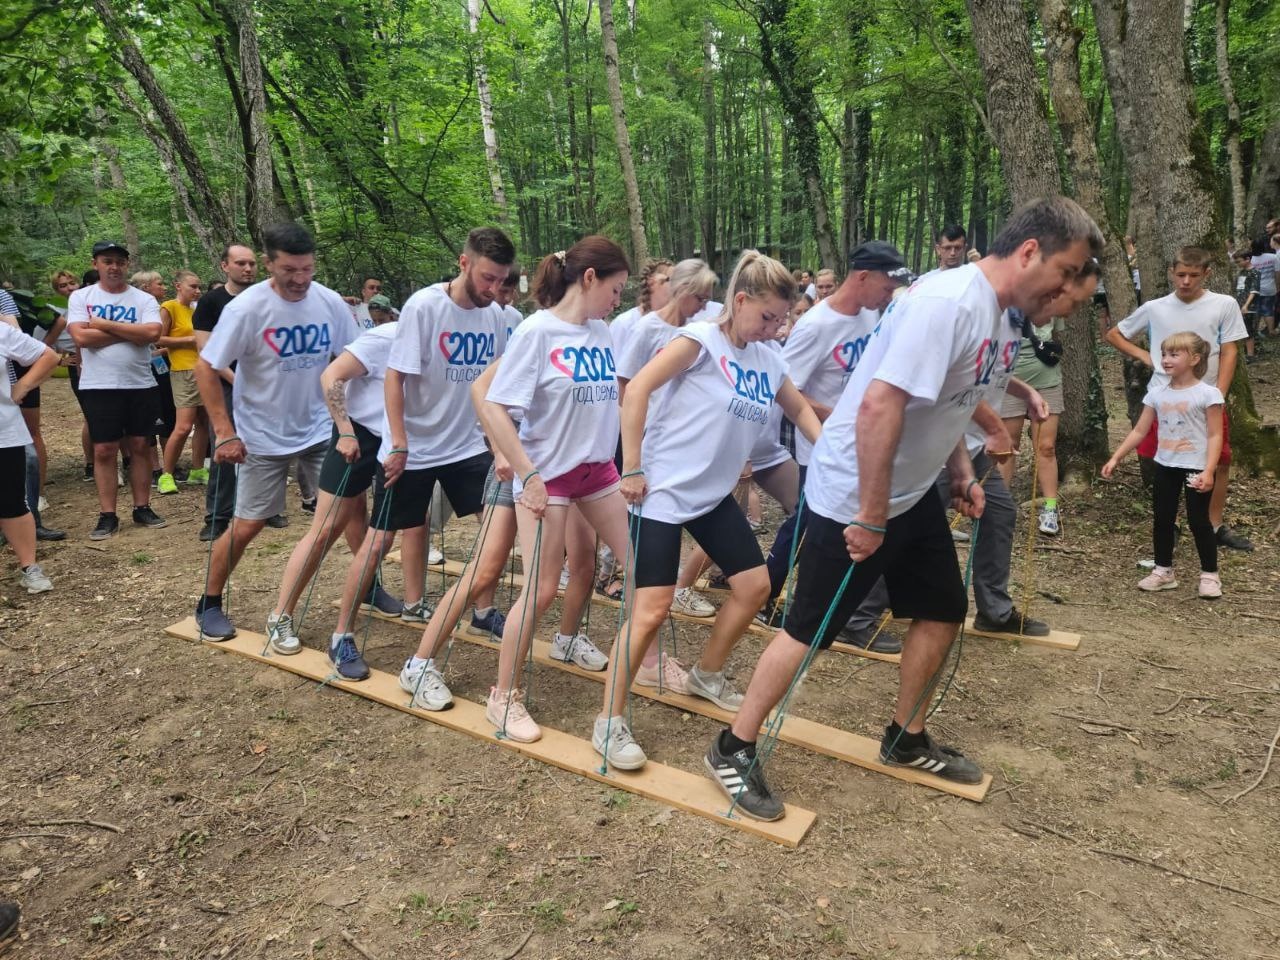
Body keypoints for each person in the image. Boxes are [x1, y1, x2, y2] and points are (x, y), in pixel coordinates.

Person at [703, 197, 1103, 821]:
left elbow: (951, 401)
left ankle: (906, 737)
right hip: (854, 492)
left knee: (942, 609)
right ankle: (733, 746)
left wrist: (963, 473)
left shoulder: (1002, 318)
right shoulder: (947, 305)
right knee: (809, 631)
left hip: (911, 492)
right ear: (1030, 252)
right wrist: (868, 514)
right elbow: (879, 408)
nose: (1071, 289)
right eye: (1068, 270)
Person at [594, 250, 824, 770]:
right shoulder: (699, 341)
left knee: (755, 586)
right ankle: (608, 721)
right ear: (740, 301)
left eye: (782, 319)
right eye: (767, 316)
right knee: (651, 610)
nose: (774, 327)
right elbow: (637, 392)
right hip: (661, 494)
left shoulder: (768, 359)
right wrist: (631, 466)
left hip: (712, 496)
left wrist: (831, 452)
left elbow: (801, 409)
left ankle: (706, 674)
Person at [329, 227, 516, 682]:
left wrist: (497, 443)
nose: (495, 289)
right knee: (380, 542)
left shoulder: (495, 316)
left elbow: (489, 388)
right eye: (488, 278)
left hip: (467, 447)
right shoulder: (425, 306)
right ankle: (341, 636)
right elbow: (395, 378)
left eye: (502, 280)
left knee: (496, 532)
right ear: (464, 263)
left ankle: (483, 610)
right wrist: (398, 442)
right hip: (415, 449)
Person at [477, 236, 633, 743]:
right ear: (589, 279)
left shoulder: (604, 332)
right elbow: (497, 406)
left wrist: (631, 464)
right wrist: (529, 475)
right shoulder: (537, 332)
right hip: (550, 476)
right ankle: (502, 698)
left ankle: (645, 667)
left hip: (598, 474)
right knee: (542, 589)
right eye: (615, 289)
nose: (618, 300)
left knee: (645, 569)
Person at [193, 222, 360, 641]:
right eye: (290, 270)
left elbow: (349, 358)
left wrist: (350, 423)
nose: (300, 279)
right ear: (269, 264)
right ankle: (209, 602)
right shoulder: (246, 309)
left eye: (307, 269)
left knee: (351, 510)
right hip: (262, 434)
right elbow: (206, 367)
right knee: (250, 523)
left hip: (322, 428)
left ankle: (369, 586)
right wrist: (224, 432)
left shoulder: (329, 302)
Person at [760, 241, 910, 651]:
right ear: (862, 276)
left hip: (860, 444)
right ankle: (768, 594)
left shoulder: (869, 315)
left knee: (815, 524)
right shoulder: (816, 326)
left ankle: (779, 595)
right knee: (808, 525)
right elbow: (786, 390)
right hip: (822, 447)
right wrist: (843, 415)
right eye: (886, 283)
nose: (889, 294)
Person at [263, 311, 405, 653]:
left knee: (366, 522)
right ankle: (279, 615)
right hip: (358, 435)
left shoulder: (441, 342)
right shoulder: (386, 337)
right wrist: (344, 431)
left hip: (397, 440)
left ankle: (369, 589)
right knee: (327, 527)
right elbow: (331, 376)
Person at [1106, 246, 1252, 552]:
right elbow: (1115, 334)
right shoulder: (1156, 307)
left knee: (1219, 461)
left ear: (1207, 274)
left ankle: (1213, 525)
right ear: (1172, 272)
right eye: (1181, 274)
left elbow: (1229, 350)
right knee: (1164, 460)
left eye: (1193, 275)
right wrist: (1146, 356)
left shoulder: (1223, 304)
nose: (1186, 281)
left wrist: (1219, 394)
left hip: (1206, 397)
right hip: (1165, 397)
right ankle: (1169, 523)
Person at [616, 258, 719, 621]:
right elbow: (626, 384)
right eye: (702, 297)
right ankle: (637, 590)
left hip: (674, 439)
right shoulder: (648, 329)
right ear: (685, 292)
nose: (706, 305)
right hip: (644, 438)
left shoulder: (699, 330)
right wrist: (634, 449)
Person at [1103, 332, 1222, 598]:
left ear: (1194, 358)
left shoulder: (1208, 394)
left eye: (1174, 354)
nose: (1166, 360)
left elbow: (1215, 435)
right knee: (1163, 520)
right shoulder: (1156, 394)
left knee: (1199, 521)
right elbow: (1139, 431)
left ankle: (1210, 575)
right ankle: (1163, 571)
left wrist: (1209, 470)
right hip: (1166, 466)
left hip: (1196, 467)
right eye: (1164, 354)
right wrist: (1116, 457)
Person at [66, 242, 168, 539]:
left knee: (140, 446)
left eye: (120, 262)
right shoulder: (81, 297)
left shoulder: (143, 299)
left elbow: (152, 333)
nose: (114, 267)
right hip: (99, 385)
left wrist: (105, 325)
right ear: (96, 263)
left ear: (127, 264)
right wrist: (129, 333)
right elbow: (82, 338)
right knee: (104, 449)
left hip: (140, 383)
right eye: (107, 261)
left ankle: (142, 507)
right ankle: (107, 514)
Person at [1000, 259, 1101, 536]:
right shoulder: (1006, 299)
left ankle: (1050, 507)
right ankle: (999, 507)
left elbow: (1054, 334)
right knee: (1007, 445)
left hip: (1046, 378)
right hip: (1009, 380)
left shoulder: (1055, 299)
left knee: (1045, 446)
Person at [193, 244, 259, 541]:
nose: (247, 269)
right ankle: (217, 516)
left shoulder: (265, 299)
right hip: (224, 383)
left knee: (262, 447)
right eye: (241, 263)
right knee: (226, 445)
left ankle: (263, 509)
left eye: (252, 264)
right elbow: (206, 350)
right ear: (225, 266)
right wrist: (237, 381)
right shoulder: (211, 301)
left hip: (265, 384)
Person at [1, 314, 59, 592]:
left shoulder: (1, 332)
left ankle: (29, 567)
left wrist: (22, 386)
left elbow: (47, 356)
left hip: (4, 432)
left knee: (12, 501)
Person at [156, 271, 208, 493]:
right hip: (182, 371)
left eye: (199, 287)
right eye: (193, 287)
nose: (197, 291)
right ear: (178, 286)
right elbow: (157, 338)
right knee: (183, 426)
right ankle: (166, 474)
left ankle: (197, 470)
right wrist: (189, 340)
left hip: (204, 369)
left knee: (204, 423)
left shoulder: (196, 309)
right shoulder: (169, 307)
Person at [609, 259, 673, 362]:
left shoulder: (675, 324)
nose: (676, 286)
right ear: (652, 282)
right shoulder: (624, 323)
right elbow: (614, 365)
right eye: (671, 280)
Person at [1232, 250, 1259, 362]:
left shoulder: (1255, 272)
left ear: (1247, 259)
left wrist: (1246, 305)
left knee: (1249, 330)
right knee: (1241, 328)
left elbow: (1254, 290)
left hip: (1249, 307)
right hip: (1238, 304)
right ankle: (1244, 352)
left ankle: (1250, 355)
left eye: (1239, 261)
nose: (1237, 264)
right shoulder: (1241, 272)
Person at [1251, 237, 1276, 338]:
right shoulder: (1273, 257)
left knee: (1255, 311)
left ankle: (1254, 332)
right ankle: (1271, 331)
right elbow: (1277, 272)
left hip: (1255, 290)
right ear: (1264, 246)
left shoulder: (1251, 260)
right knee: (1268, 310)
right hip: (1270, 288)